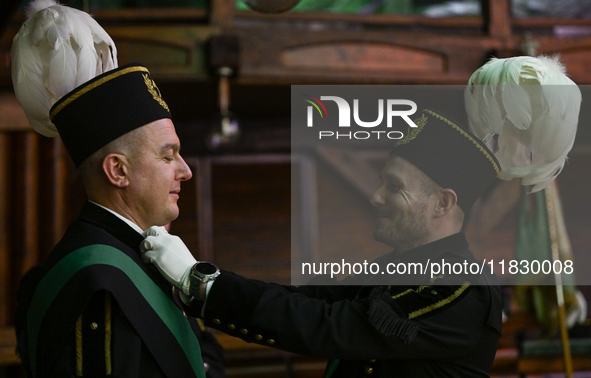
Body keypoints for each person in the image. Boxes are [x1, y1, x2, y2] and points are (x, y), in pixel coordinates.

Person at [141, 108, 503, 377]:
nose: (375, 197)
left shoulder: (461, 286)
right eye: (381, 182)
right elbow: (306, 300)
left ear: (443, 203)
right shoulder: (396, 268)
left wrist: (201, 280)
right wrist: (206, 285)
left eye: (394, 188)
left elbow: (326, 325)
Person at [14, 63, 226, 378]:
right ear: (118, 171)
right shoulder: (96, 279)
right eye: (168, 157)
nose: (186, 171)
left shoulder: (139, 258)